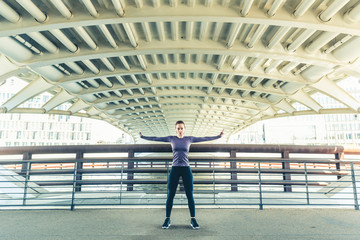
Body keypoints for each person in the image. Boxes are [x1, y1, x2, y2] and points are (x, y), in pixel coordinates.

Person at [139, 121, 224, 229]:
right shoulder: (171, 139)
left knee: (190, 195)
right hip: (175, 169)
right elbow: (156, 138)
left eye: (181, 128)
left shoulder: (189, 139)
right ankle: (167, 219)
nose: (180, 130)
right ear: (175, 129)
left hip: (186, 169)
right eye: (178, 128)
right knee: (170, 195)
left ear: (184, 129)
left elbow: (204, 138)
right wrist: (142, 136)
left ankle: (193, 219)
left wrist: (218, 136)